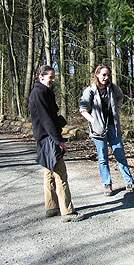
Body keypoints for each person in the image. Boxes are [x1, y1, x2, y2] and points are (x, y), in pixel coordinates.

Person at [28, 65, 85, 222]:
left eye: (54, 77)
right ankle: (67, 212)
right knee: (61, 175)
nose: (53, 80)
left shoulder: (44, 92)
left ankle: (52, 207)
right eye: (50, 77)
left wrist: (59, 121)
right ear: (41, 76)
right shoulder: (39, 93)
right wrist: (59, 141)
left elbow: (50, 116)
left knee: (49, 173)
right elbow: (46, 119)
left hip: (44, 137)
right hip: (48, 138)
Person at [79, 64, 134, 196]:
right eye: (103, 75)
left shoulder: (113, 88)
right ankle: (107, 184)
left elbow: (120, 97)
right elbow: (83, 109)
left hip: (113, 127)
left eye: (108, 75)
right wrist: (93, 120)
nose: (106, 78)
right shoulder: (90, 91)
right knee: (103, 158)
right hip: (98, 130)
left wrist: (116, 108)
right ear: (97, 75)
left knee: (120, 155)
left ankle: (129, 182)